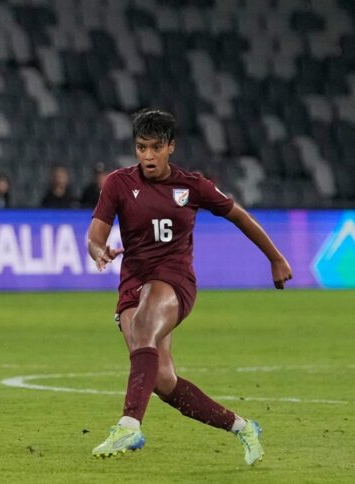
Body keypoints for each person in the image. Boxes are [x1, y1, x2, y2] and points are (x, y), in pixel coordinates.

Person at [87, 109, 292, 464]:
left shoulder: (192, 186)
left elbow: (239, 216)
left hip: (173, 280)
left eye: (154, 148)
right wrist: (98, 250)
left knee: (145, 325)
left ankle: (129, 424)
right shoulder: (119, 183)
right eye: (140, 148)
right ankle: (242, 426)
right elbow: (95, 234)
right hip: (132, 282)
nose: (147, 156)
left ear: (170, 147)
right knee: (163, 380)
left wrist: (275, 258)